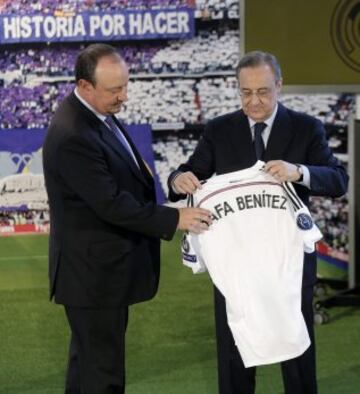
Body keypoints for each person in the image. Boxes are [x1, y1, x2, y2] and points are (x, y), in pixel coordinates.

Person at [167, 50, 348, 394]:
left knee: (297, 358)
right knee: (234, 357)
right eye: (245, 93)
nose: (254, 101)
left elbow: (339, 181)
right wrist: (178, 180)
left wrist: (299, 172)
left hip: (289, 263)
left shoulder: (307, 128)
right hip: (235, 264)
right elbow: (190, 172)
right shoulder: (219, 130)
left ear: (279, 85)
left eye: (263, 91)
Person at [42, 43, 211, 394]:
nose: (124, 96)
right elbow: (110, 204)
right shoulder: (75, 132)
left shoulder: (94, 114)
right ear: (85, 86)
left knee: (88, 367)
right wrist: (173, 218)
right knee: (103, 375)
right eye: (114, 89)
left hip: (97, 273)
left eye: (125, 85)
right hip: (93, 277)